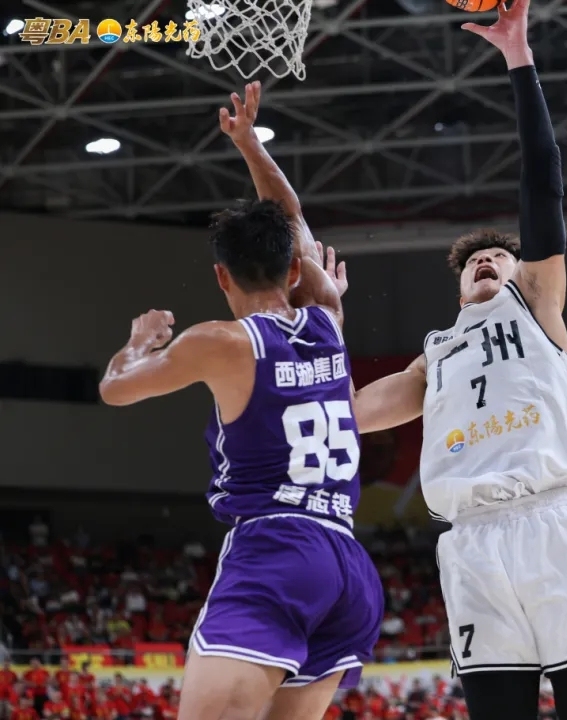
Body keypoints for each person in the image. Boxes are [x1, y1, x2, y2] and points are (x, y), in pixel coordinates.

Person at [349, 2, 567, 719]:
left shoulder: (536, 305)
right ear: (459, 286)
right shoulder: (434, 355)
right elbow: (344, 416)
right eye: (476, 260)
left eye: (500, 256)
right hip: (469, 543)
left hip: (550, 523)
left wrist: (518, 59)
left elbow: (543, 182)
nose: (487, 261)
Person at [98, 82, 382, 720]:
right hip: (349, 564)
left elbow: (115, 391)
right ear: (295, 270)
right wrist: (251, 145)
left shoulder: (221, 342)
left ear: (221, 276)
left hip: (276, 550)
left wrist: (138, 343)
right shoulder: (327, 315)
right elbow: (292, 218)